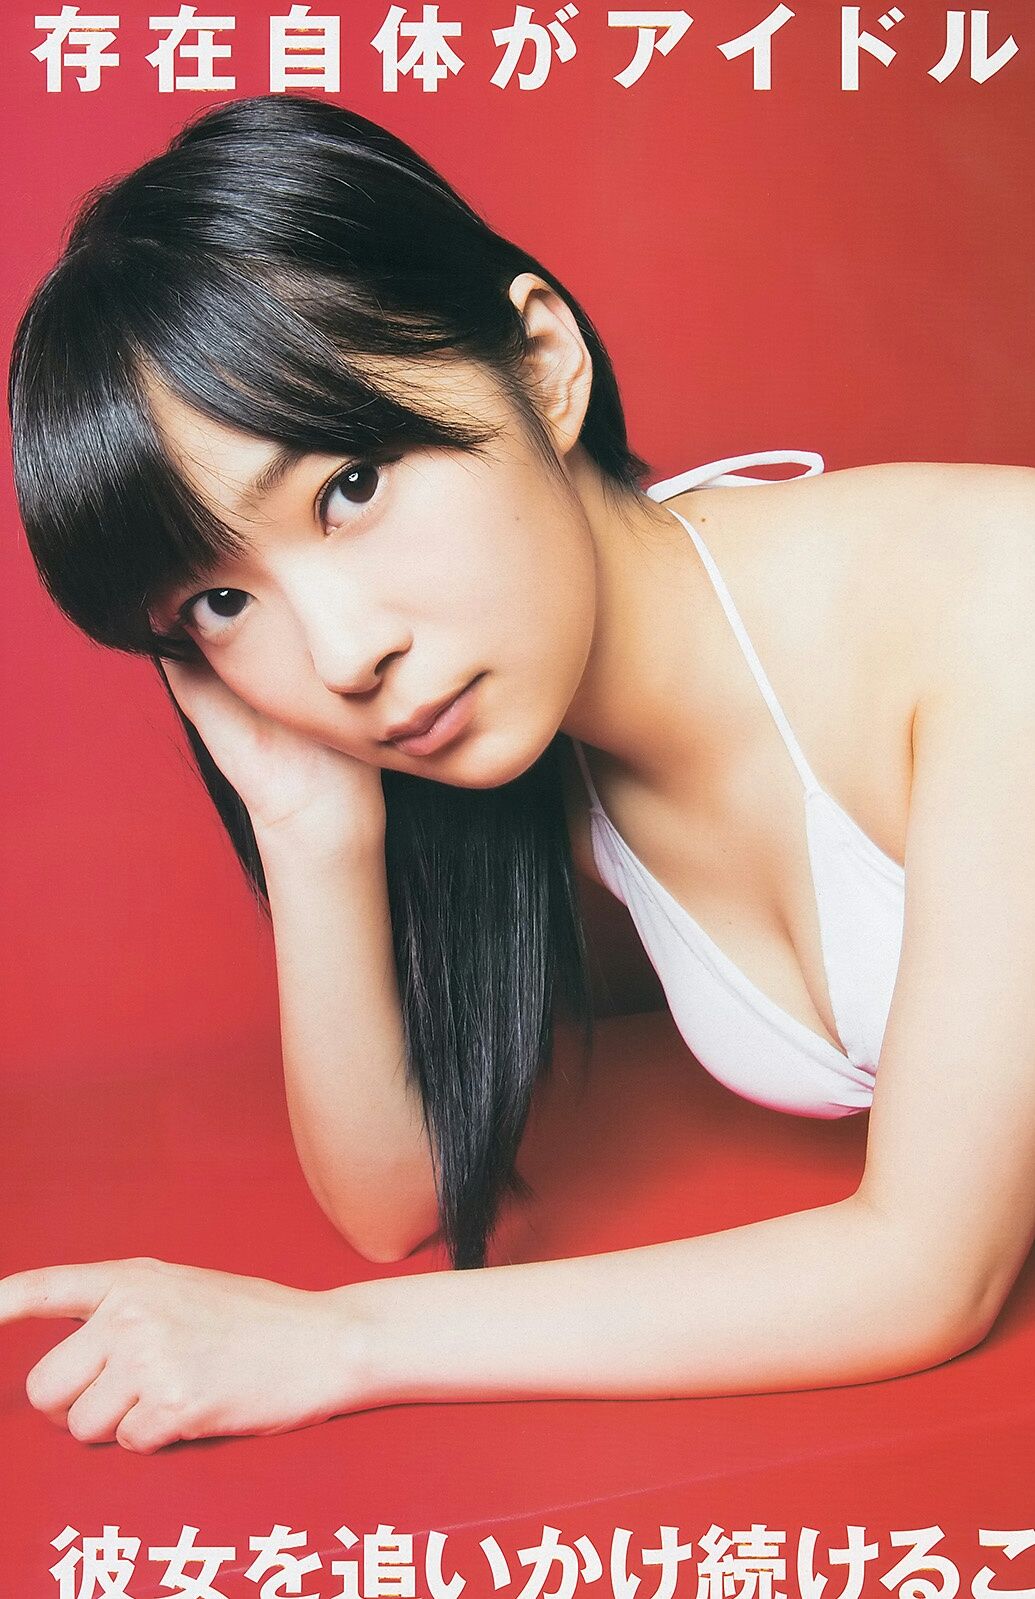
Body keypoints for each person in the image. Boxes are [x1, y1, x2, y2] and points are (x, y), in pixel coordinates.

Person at [3, 91, 1035, 1457]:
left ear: (542, 364)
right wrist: (310, 827)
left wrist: (337, 1341)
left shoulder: (996, 609)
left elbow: (928, 1269)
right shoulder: (549, 760)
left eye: (351, 486)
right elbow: (398, 1198)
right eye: (220, 602)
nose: (344, 654)